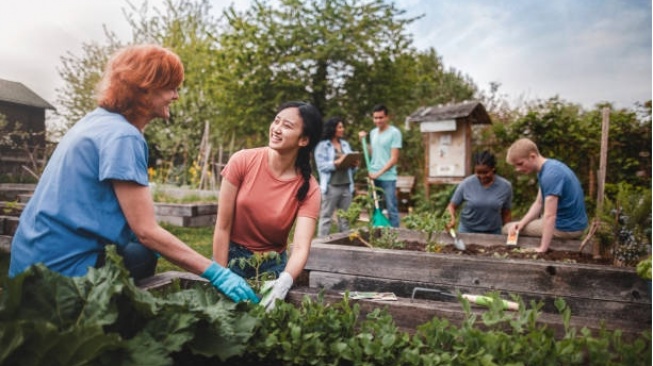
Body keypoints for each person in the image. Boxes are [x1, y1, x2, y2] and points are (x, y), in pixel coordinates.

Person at [8, 44, 258, 304]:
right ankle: (105, 323)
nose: (176, 96)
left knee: (140, 249)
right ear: (145, 88)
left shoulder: (95, 121)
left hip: (30, 264)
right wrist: (217, 273)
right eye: (171, 87)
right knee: (144, 253)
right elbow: (146, 230)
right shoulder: (124, 136)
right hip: (61, 277)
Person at [212, 101, 322, 310]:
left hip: (273, 267)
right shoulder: (242, 160)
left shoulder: (310, 189)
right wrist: (220, 274)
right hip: (232, 258)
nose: (277, 129)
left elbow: (300, 247)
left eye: (287, 126)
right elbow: (222, 226)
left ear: (304, 140)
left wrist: (285, 281)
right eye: (276, 121)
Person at [502, 138, 588, 252]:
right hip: (571, 223)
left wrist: (543, 248)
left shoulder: (550, 175)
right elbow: (539, 203)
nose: (518, 169)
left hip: (567, 227)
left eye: (520, 164)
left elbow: (550, 216)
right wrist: (521, 223)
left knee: (507, 228)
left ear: (532, 156)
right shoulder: (548, 168)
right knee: (516, 227)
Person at [446, 151, 513, 234]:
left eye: (485, 172)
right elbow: (451, 206)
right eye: (478, 172)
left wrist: (509, 232)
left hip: (493, 232)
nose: (482, 176)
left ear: (493, 169)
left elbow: (506, 213)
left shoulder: (505, 186)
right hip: (467, 231)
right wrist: (451, 218)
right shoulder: (466, 184)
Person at [358, 104, 402, 227]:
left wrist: (378, 173)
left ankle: (395, 238)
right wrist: (363, 141)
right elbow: (374, 153)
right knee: (374, 208)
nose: (378, 121)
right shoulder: (373, 133)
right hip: (373, 177)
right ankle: (377, 236)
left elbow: (394, 159)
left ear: (387, 117)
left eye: (381, 117)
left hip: (388, 178)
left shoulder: (394, 133)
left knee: (391, 209)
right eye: (375, 118)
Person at [314, 117, 358, 237]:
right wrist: (336, 163)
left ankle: (344, 244)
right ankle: (322, 244)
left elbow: (351, 167)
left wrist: (354, 165)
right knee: (326, 217)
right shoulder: (323, 146)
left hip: (346, 186)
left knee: (345, 218)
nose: (342, 129)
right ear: (333, 129)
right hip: (331, 187)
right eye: (340, 127)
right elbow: (321, 166)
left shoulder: (345, 144)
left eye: (342, 127)